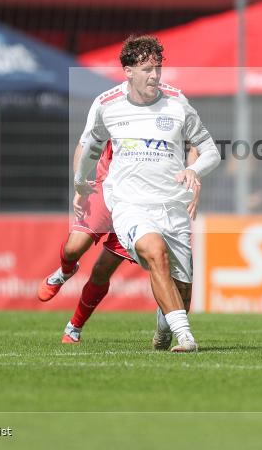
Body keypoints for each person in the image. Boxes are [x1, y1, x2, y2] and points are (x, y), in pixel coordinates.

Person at [75, 35, 221, 352]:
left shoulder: (177, 103)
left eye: (157, 68)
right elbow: (91, 148)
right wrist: (79, 182)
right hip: (130, 205)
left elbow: (211, 151)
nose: (154, 76)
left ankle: (164, 330)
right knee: (155, 252)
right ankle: (186, 337)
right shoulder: (108, 105)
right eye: (146, 69)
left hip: (173, 207)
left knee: (182, 289)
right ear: (128, 71)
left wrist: (194, 170)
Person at [37, 130, 201, 349]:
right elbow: (84, 143)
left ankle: (74, 327)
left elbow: (194, 146)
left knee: (102, 270)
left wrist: (193, 178)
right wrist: (80, 180)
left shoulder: (171, 114)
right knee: (73, 248)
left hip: (140, 199)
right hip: (105, 189)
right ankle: (65, 271)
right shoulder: (112, 111)